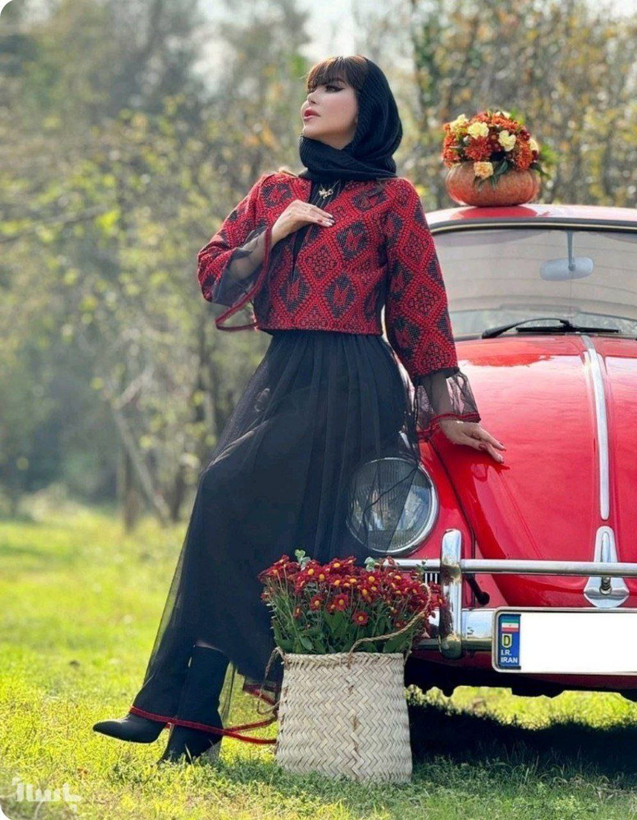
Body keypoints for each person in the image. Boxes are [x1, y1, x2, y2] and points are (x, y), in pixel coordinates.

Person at [92, 55, 505, 765]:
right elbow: (215, 276)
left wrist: (445, 409)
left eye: (331, 88)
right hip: (283, 375)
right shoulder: (275, 191)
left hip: (352, 385)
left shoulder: (393, 199)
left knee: (228, 499)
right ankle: (189, 723)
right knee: (232, 520)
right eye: (311, 88)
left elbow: (419, 305)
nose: (312, 98)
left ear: (367, 109)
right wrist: (274, 232)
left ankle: (177, 713)